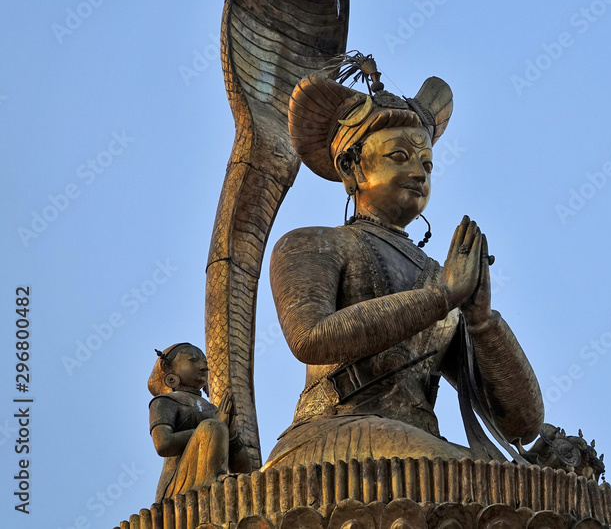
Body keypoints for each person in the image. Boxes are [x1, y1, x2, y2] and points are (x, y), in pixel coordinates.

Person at [262, 59, 544, 470]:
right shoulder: (312, 244)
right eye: (399, 156)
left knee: (529, 483)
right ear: (352, 167)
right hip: (333, 438)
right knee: (489, 479)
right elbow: (310, 337)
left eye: (427, 164)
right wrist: (441, 297)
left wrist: (483, 322)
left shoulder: (440, 276)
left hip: (417, 441)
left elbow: (523, 424)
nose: (418, 172)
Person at [148, 343, 252, 501]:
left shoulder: (213, 409)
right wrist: (211, 428)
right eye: (193, 360)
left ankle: (218, 478)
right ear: (169, 368)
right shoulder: (164, 402)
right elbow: (163, 444)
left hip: (218, 480)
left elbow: (244, 471)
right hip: (179, 486)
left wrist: (230, 435)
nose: (204, 366)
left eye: (205, 362)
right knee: (213, 426)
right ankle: (214, 479)